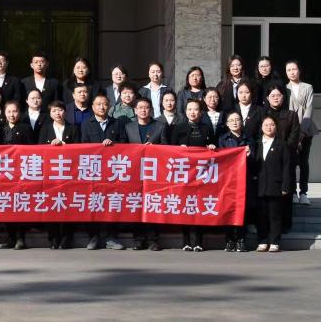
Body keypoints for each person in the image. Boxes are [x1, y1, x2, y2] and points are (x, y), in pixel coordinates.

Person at [111, 98, 166, 251]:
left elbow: (167, 146)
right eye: (140, 107)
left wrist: (155, 148)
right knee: (136, 205)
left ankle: (153, 240)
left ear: (151, 110)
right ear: (135, 110)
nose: (143, 110)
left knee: (152, 205)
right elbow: (123, 147)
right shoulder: (128, 127)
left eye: (146, 107)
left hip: (153, 172)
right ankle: (138, 239)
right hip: (134, 172)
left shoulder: (160, 126)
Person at [78, 93, 125, 250]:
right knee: (93, 203)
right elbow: (83, 146)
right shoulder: (86, 124)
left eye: (104, 104)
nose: (102, 107)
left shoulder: (116, 123)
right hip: (93, 171)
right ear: (92, 107)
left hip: (113, 171)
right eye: (98, 104)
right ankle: (94, 237)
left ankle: (112, 237)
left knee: (112, 203)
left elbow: (124, 144)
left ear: (109, 106)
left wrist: (113, 144)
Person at [172, 98, 217, 252]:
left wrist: (211, 146)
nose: (193, 112)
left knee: (199, 207)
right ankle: (186, 241)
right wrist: (179, 148)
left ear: (201, 112)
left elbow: (213, 144)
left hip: (201, 174)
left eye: (196, 109)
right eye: (190, 109)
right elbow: (170, 148)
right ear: (185, 112)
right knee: (186, 206)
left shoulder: (206, 127)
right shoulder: (179, 127)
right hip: (184, 173)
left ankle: (198, 241)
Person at [40, 101, 79, 249]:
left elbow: (80, 149)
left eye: (60, 110)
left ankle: (67, 237)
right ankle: (53, 238)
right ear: (50, 113)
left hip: (69, 173)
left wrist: (64, 145)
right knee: (51, 205)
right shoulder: (45, 129)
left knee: (67, 205)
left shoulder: (73, 128)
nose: (57, 113)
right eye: (54, 110)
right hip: (50, 173)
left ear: (65, 112)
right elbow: (38, 149)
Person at [0, 100, 35, 250]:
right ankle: (10, 237)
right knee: (6, 204)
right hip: (4, 172)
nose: (12, 114)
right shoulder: (0, 129)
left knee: (19, 204)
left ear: (19, 113)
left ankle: (20, 238)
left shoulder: (25, 128)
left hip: (21, 171)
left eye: (14, 111)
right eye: (9, 111)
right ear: (4, 113)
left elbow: (32, 150)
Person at [265, 85, 301, 232]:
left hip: (287, 159)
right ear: (267, 98)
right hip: (268, 160)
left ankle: (285, 225)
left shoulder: (291, 115)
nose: (276, 98)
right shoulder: (263, 114)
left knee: (286, 191)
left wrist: (282, 150)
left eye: (278, 95)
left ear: (283, 97)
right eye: (272, 95)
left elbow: (294, 137)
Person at [254, 115, 292, 253]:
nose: (269, 127)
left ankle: (275, 242)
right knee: (261, 216)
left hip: (275, 185)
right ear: (261, 127)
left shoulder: (282, 144)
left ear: (276, 127)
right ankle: (262, 241)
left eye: (272, 124)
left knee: (275, 216)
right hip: (259, 186)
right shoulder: (256, 144)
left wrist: (285, 186)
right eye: (266, 125)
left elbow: (287, 167)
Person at [219, 111, 254, 252]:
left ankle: (241, 239)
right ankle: (229, 240)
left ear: (242, 122)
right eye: (231, 120)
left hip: (244, 180)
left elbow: (255, 161)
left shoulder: (249, 139)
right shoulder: (222, 139)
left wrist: (250, 155)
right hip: (228, 181)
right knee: (228, 210)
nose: (234, 122)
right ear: (227, 124)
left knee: (242, 211)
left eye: (237, 119)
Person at [285, 60, 316, 205]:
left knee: (304, 162)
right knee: (291, 162)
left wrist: (302, 133)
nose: (292, 72)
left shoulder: (308, 87)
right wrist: (294, 133)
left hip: (306, 130)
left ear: (299, 70)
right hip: (290, 130)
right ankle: (292, 192)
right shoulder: (284, 88)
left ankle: (303, 192)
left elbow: (309, 109)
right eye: (289, 70)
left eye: (294, 69)